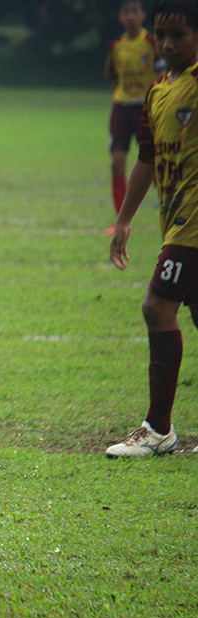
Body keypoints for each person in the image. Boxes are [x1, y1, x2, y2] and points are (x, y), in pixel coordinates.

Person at [107, 0, 198, 458]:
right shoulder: (160, 90)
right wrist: (124, 219)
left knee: (157, 306)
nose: (165, 44)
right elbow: (146, 158)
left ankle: (158, 428)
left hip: (193, 229)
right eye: (161, 34)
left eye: (178, 34)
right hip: (175, 222)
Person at [104, 0, 165, 235]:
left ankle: (168, 212)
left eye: (135, 11)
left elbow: (162, 73)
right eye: (126, 11)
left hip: (145, 108)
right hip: (121, 108)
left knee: (154, 167)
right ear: (120, 16)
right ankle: (120, 220)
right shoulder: (116, 47)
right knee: (117, 161)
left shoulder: (151, 42)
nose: (130, 16)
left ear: (142, 15)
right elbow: (113, 78)